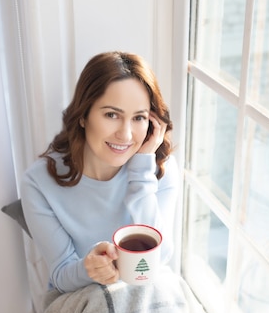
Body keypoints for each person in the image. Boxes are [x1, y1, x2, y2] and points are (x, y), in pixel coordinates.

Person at [20, 51, 179, 294]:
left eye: (138, 118)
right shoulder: (39, 182)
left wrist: (141, 171)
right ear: (83, 115)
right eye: (111, 115)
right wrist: (88, 269)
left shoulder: (157, 170)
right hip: (78, 300)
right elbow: (62, 274)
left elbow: (161, 255)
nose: (125, 135)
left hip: (141, 295)